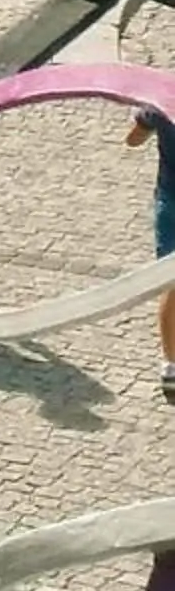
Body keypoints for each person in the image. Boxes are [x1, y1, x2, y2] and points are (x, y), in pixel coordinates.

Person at [124, 103, 175, 404]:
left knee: (171, 283)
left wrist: (141, 115)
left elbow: (133, 140)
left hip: (171, 202)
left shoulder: (161, 102)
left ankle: (171, 364)